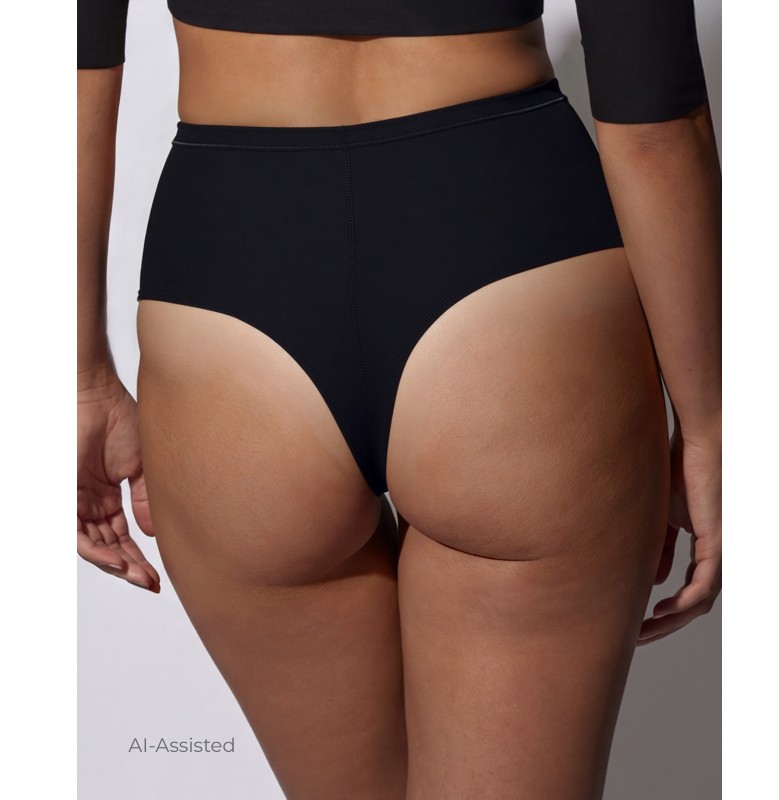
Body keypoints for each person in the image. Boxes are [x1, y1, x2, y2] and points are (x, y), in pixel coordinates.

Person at [77, 0, 721, 797]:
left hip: (227, 285)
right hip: (512, 262)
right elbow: (657, 120)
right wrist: (709, 423)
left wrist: (82, 378)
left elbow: (65, 60)